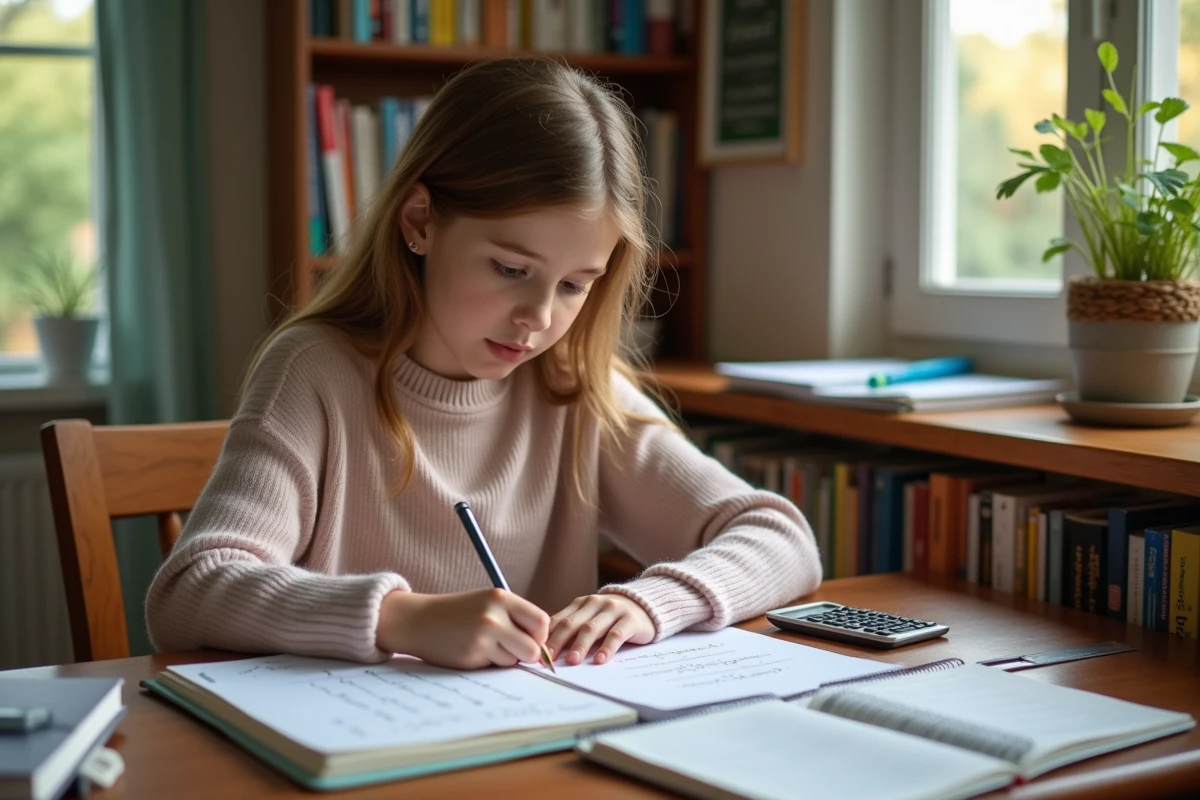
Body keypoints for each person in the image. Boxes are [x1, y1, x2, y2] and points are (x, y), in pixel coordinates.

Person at [146, 57, 820, 670]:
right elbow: (189, 591)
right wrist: (398, 618)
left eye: (574, 284)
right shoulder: (314, 372)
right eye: (510, 268)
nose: (539, 317)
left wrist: (653, 602)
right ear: (418, 220)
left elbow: (781, 539)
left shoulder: (576, 389)